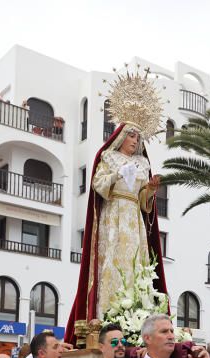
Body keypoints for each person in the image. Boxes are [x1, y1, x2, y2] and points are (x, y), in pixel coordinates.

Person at [65, 123, 168, 344]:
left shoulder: (142, 163)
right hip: (113, 215)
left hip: (133, 218)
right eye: (131, 135)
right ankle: (108, 316)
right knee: (112, 263)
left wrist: (150, 189)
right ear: (121, 137)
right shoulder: (108, 157)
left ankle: (137, 312)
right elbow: (97, 185)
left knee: (135, 265)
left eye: (138, 137)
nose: (135, 141)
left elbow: (142, 201)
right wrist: (115, 174)